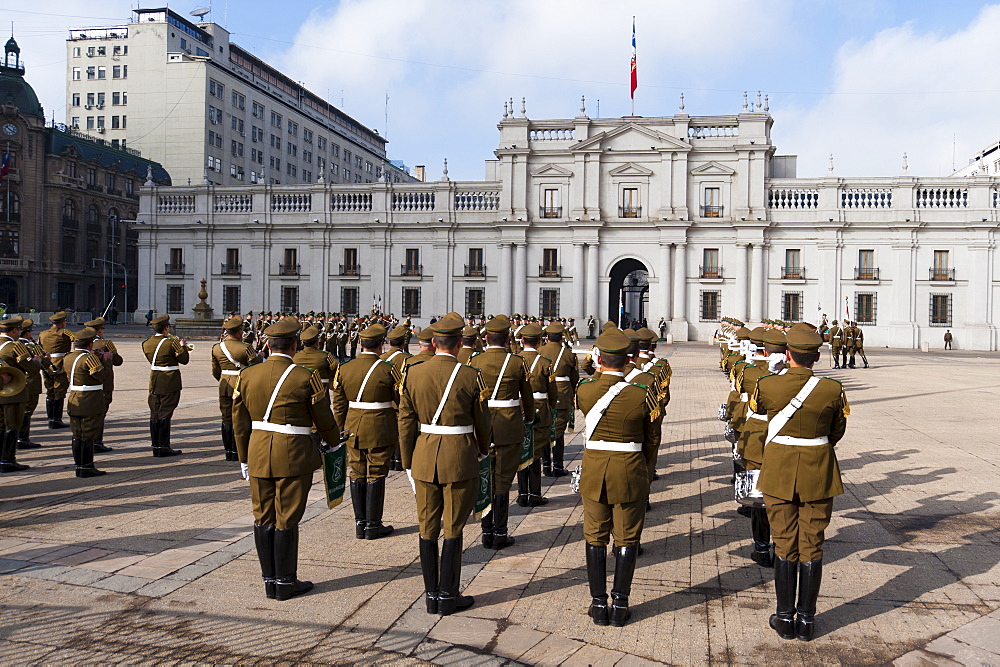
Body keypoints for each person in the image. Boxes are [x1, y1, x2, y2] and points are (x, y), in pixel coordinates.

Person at [233, 317, 340, 601]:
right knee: (287, 517)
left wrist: (243, 457)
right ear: (294, 345)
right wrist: (334, 441)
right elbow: (323, 417)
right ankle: (286, 581)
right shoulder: (306, 377)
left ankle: (270, 581)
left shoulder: (247, 375)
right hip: (293, 452)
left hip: (257, 451)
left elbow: (240, 422)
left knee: (262, 516)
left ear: (268, 345)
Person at [752, 326, 848, 642]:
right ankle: (806, 620)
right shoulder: (832, 389)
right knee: (812, 543)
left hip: (779, 471)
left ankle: (784, 617)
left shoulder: (767, 384)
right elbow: (837, 432)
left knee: (783, 540)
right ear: (818, 357)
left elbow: (756, 410)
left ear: (788, 355)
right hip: (818, 471)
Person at [397, 312, 490, 615]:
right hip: (459, 456)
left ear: (433, 343)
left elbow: (405, 423)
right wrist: (483, 449)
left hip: (424, 456)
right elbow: (482, 422)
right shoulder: (470, 374)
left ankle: (430, 595)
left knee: (427, 527)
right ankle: (449, 596)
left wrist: (408, 461)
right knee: (453, 527)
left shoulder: (413, 373)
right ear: (460, 342)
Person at [577, 329, 656, 627]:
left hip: (595, 470)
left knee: (594, 536)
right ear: (628, 361)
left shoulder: (585, 390)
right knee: (627, 538)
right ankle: (620, 605)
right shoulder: (641, 394)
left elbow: (588, 376)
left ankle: (598, 605)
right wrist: (643, 471)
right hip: (630, 470)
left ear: (599, 358)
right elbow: (651, 440)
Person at [333, 323, 400, 541]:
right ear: (382, 345)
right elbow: (399, 401)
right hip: (380, 426)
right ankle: (373, 524)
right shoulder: (388, 369)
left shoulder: (344, 368)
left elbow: (339, 406)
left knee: (357, 471)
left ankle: (360, 524)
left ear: (360, 343)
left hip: (353, 427)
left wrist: (339, 431)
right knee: (377, 472)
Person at [472, 316, 534, 549]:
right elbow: (527, 399)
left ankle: (486, 531)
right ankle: (500, 532)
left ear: (486, 338)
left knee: (485, 477)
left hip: (482, 427)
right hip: (508, 427)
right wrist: (528, 418)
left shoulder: (475, 360)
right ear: (508, 338)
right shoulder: (517, 362)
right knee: (503, 481)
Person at [736, 327, 785, 568]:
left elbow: (744, 394)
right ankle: (783, 545)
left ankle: (762, 547)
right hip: (785, 441)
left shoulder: (748, 371)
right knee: (783, 495)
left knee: (759, 498)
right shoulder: (801, 379)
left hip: (756, 438)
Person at [516, 323, 557, 507]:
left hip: (519, 409)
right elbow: (553, 393)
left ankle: (522, 493)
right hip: (540, 408)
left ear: (522, 341)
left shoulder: (514, 360)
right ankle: (535, 493)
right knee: (536, 453)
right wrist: (551, 407)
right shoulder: (545, 363)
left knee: (522, 452)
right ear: (540, 342)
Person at [212, 316, 261, 461]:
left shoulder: (217, 347)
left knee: (226, 417)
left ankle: (229, 451)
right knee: (242, 418)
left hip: (224, 384)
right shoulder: (246, 347)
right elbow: (254, 367)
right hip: (241, 384)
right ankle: (239, 450)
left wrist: (223, 380)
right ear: (239, 332)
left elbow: (215, 370)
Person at [65, 326, 110, 477]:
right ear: (90, 344)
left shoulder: (68, 357)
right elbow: (102, 376)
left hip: (74, 397)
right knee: (88, 434)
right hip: (89, 400)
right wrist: (105, 360)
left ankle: (79, 465)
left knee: (77, 434)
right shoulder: (89, 359)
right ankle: (87, 466)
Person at [142, 314, 189, 457]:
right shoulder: (171, 342)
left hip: (155, 380)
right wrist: (183, 347)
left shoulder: (146, 343)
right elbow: (184, 360)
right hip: (169, 380)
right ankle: (163, 446)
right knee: (166, 413)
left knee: (155, 412)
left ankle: (156, 445)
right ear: (166, 328)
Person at [539, 322, 579, 477]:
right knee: (558, 432)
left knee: (544, 431)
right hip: (562, 396)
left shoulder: (540, 351)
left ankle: (546, 466)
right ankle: (557, 465)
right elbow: (574, 378)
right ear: (562, 337)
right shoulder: (568, 354)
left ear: (547, 337)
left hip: (544, 396)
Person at [0, 317, 33, 472]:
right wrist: (37, 360)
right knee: (12, 426)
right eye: (19, 330)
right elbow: (31, 368)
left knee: (1, 425)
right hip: (13, 392)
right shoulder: (15, 347)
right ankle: (8, 460)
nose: (20, 332)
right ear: (13, 330)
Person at [87, 317, 123, 453]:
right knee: (100, 412)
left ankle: (91, 440)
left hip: (88, 384)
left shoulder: (83, 343)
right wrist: (111, 353)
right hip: (104, 382)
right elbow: (118, 361)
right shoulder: (106, 343)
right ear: (99, 331)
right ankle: (97, 441)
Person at [379, 324, 412, 471]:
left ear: (389, 342)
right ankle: (398, 461)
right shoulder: (408, 359)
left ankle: (390, 458)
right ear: (403, 342)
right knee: (401, 432)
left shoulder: (381, 358)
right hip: (401, 400)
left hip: (386, 402)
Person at [15, 319, 46, 450]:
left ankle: (21, 437)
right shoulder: (25, 346)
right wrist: (38, 360)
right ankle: (22, 438)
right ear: (26, 333)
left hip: (23, 380)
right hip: (30, 380)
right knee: (27, 410)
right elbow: (33, 364)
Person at [38, 311, 72, 429]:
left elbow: (39, 347)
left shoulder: (43, 333)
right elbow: (78, 339)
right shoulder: (64, 333)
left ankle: (50, 418)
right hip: (60, 364)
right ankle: (56, 419)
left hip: (47, 364)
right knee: (60, 391)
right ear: (62, 323)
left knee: (50, 391)